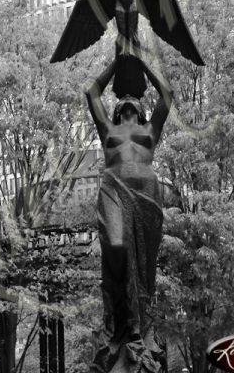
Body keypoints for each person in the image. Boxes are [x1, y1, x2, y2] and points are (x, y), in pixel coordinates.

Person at [85, 56, 173, 373]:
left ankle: (138, 329)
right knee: (118, 248)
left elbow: (168, 95)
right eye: (123, 103)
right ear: (118, 108)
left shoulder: (151, 129)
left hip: (146, 196)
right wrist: (117, 62)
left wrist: (143, 63)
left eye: (134, 103)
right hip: (113, 187)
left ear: (140, 108)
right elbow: (91, 92)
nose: (128, 105)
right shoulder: (107, 129)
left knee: (144, 268)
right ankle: (121, 326)